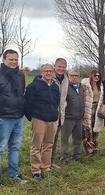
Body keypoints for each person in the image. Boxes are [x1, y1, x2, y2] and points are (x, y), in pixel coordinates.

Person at [24, 64, 60, 181]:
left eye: (50, 71)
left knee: (49, 145)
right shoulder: (33, 86)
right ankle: (36, 171)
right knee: (36, 146)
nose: (48, 73)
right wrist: (32, 118)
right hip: (39, 119)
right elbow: (28, 104)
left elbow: (56, 102)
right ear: (41, 72)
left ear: (53, 72)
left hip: (53, 119)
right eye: (46, 71)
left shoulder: (55, 87)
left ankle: (46, 167)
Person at [0, 49, 28, 187]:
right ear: (4, 59)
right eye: (11, 59)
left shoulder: (20, 76)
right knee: (0, 148)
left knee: (15, 147)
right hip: (3, 118)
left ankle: (14, 174)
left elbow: (21, 94)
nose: (14, 62)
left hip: (18, 117)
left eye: (16, 59)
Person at [60, 70, 85, 163]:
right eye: (72, 75)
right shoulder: (66, 87)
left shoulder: (81, 87)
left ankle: (76, 155)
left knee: (78, 138)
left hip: (79, 118)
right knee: (64, 139)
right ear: (68, 76)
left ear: (79, 77)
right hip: (68, 118)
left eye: (76, 75)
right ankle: (64, 157)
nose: (74, 77)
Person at [51, 58, 69, 168]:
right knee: (46, 141)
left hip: (60, 114)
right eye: (59, 67)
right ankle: (41, 163)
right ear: (55, 66)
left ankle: (51, 161)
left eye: (63, 67)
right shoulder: (49, 77)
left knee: (54, 140)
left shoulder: (65, 79)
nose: (61, 69)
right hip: (48, 114)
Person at [81, 69, 104, 154]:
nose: (97, 77)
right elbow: (81, 97)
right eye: (95, 75)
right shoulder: (85, 84)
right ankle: (88, 149)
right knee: (88, 129)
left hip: (97, 108)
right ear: (91, 75)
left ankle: (95, 148)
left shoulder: (100, 85)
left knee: (96, 129)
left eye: (98, 76)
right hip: (88, 108)